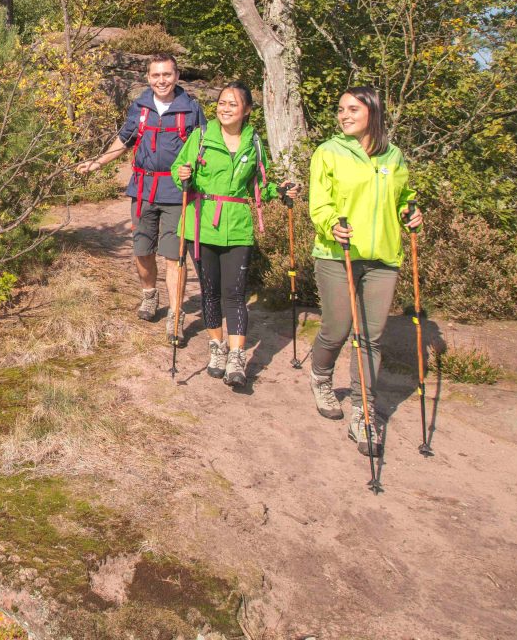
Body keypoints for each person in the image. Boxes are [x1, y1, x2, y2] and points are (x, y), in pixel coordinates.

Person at [306, 85, 423, 455]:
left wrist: (410, 213)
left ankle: (364, 411)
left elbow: (403, 197)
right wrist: (330, 225)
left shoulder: (394, 156)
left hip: (383, 257)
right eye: (341, 110)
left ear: (372, 111)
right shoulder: (328, 152)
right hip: (336, 253)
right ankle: (321, 377)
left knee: (371, 337)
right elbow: (319, 203)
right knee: (337, 327)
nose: (344, 115)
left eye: (352, 109)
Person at [170, 82, 292, 388]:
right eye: (222, 103)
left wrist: (280, 190)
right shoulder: (200, 137)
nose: (225, 108)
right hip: (200, 223)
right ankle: (217, 348)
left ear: (247, 110)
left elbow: (260, 186)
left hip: (237, 226)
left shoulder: (255, 144)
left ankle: (237, 357)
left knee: (235, 294)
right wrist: (182, 174)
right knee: (210, 291)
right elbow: (178, 170)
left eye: (233, 104)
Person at [76, 54, 206, 337]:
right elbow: (124, 140)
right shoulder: (141, 107)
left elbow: (204, 150)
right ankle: (149, 294)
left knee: (175, 257)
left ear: (177, 75)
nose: (162, 80)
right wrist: (97, 163)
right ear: (148, 78)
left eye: (167, 75)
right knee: (142, 251)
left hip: (178, 194)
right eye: (156, 75)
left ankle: (175, 315)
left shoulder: (192, 110)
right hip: (144, 190)